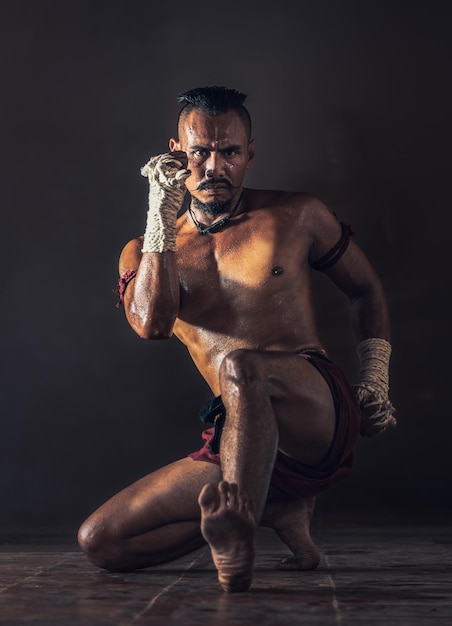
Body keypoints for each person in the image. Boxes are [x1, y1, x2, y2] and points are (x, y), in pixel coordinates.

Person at [78, 86, 396, 593]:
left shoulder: (296, 214)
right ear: (176, 152)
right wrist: (160, 213)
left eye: (229, 152)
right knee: (102, 541)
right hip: (243, 439)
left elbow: (366, 288)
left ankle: (237, 532)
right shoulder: (143, 250)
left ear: (250, 154)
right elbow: (152, 325)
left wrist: (375, 375)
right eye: (199, 152)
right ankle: (271, 507)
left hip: (313, 407)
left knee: (241, 366)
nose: (213, 167)